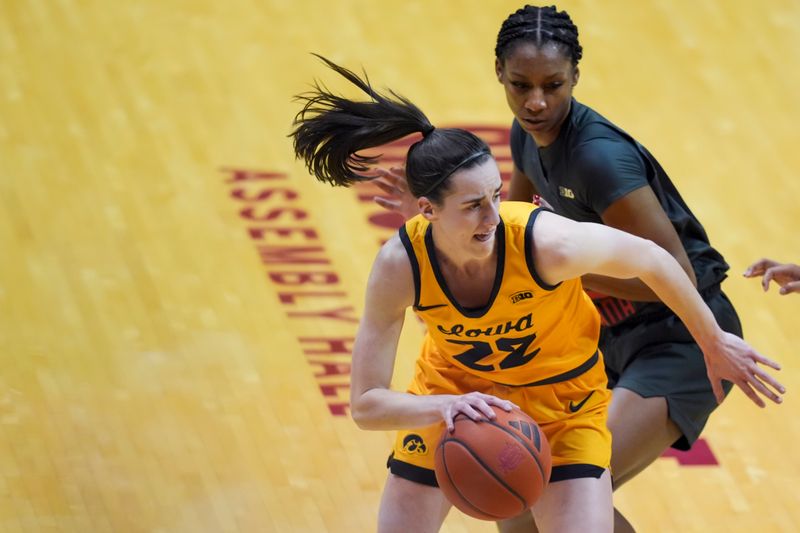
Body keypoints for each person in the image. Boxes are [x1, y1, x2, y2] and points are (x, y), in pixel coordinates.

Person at [290, 55, 784, 533]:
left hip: (564, 406)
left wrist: (713, 341)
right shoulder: (400, 265)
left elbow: (656, 260)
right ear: (428, 210)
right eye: (472, 206)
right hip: (459, 398)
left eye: (496, 197)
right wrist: (440, 409)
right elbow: (366, 406)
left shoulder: (545, 241)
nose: (492, 217)